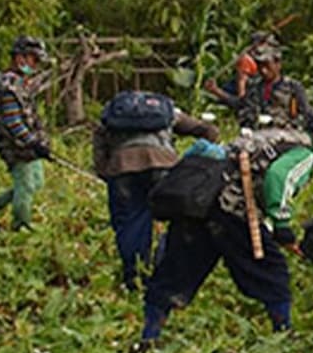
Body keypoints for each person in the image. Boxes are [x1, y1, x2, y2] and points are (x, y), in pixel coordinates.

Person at [134, 104, 313, 352]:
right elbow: (278, 178)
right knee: (273, 273)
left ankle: (148, 338)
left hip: (201, 204)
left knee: (176, 273)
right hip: (236, 211)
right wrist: (282, 225)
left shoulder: (278, 135)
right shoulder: (304, 152)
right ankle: (283, 337)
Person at [92, 90, 219, 291]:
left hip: (122, 169)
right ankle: (169, 273)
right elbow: (207, 130)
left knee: (131, 223)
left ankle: (135, 278)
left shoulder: (112, 111)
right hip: (163, 166)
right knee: (178, 220)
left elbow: (99, 145)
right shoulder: (166, 109)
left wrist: (106, 172)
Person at [0, 36, 52, 230]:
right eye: (34, 59)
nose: (36, 64)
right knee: (25, 186)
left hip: (28, 144)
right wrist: (33, 142)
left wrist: (42, 140)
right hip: (15, 146)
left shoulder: (23, 83)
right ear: (20, 58)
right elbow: (13, 122)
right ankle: (20, 225)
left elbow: (31, 116)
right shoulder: (9, 86)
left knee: (36, 182)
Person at [229, 45, 310, 130]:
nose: (263, 70)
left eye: (267, 65)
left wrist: (285, 124)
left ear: (278, 64)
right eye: (260, 65)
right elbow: (244, 109)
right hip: (258, 132)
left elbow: (305, 116)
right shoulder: (254, 87)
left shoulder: (292, 87)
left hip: (285, 133)